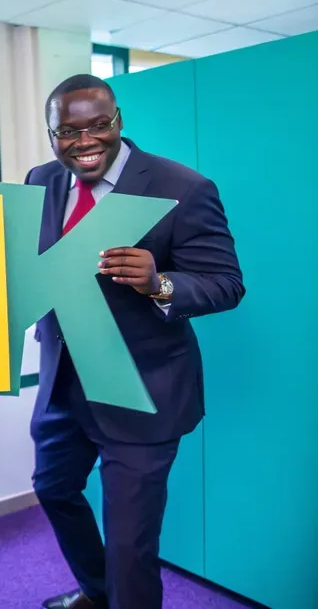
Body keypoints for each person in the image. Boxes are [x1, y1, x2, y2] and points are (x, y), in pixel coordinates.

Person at [27, 74, 244, 609]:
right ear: (51, 133)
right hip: (66, 387)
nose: (84, 141)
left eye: (98, 126)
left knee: (129, 547)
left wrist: (160, 282)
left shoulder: (183, 187)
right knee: (53, 489)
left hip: (142, 389)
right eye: (68, 131)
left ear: (118, 121)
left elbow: (226, 284)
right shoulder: (41, 181)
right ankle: (97, 593)